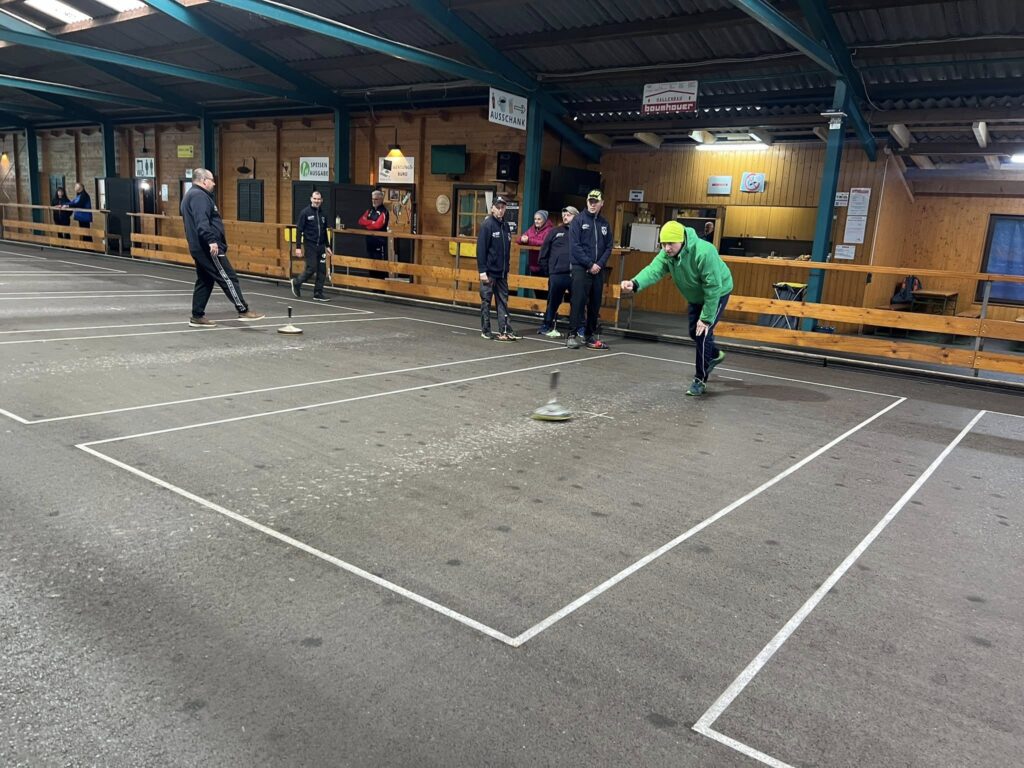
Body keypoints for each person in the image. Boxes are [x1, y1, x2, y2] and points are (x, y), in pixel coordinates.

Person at [620, 220, 733, 397]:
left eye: (670, 244)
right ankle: (714, 355)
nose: (666, 248)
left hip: (718, 292)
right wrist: (634, 283)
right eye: (663, 244)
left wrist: (706, 319)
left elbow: (713, 287)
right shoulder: (667, 254)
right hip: (696, 296)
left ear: (681, 240)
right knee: (693, 332)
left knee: (703, 333)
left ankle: (700, 379)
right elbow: (653, 270)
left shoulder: (705, 252)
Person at [180, 168, 264, 327]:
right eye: (212, 180)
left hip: (199, 247)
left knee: (205, 280)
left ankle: (197, 316)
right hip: (208, 247)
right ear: (204, 180)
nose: (214, 183)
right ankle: (243, 310)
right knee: (228, 277)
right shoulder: (199, 196)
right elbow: (202, 221)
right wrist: (211, 240)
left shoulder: (191, 195)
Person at [566, 189, 612, 350]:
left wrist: (599, 264)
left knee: (595, 304)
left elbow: (609, 246)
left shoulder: (604, 223)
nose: (592, 204)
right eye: (590, 201)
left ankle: (589, 335)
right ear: (587, 202)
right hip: (581, 268)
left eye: (595, 202)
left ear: (601, 203)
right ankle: (571, 335)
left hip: (598, 269)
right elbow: (575, 246)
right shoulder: (578, 221)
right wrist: (589, 264)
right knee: (578, 302)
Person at [476, 195, 519, 342]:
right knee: (486, 301)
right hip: (489, 272)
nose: (500, 210)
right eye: (498, 207)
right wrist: (482, 271)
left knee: (503, 302)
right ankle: (486, 330)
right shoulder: (487, 225)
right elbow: (481, 249)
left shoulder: (506, 226)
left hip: (502, 273)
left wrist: (506, 269)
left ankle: (505, 329)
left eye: (503, 207)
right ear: (492, 208)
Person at [536, 206, 578, 337]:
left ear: (576, 216)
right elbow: (544, 252)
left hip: (576, 274)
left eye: (568, 215)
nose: (565, 217)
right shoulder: (555, 231)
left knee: (578, 302)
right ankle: (546, 324)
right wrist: (549, 271)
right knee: (553, 301)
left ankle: (579, 327)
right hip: (557, 273)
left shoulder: (581, 233)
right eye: (564, 215)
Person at [291, 189, 333, 302]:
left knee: (322, 270)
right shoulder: (305, 212)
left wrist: (327, 246)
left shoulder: (323, 214)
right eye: (315, 199)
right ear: (311, 199)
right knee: (312, 268)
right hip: (310, 245)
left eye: (318, 199)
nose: (317, 201)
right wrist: (298, 247)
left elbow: (324, 231)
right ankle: (297, 282)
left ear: (322, 200)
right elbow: (299, 230)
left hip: (321, 246)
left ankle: (318, 293)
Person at [519, 209, 554, 299]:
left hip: (544, 266)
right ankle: (540, 307)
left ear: (544, 220)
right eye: (535, 219)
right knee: (537, 290)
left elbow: (544, 242)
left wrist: (529, 240)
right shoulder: (532, 229)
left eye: (539, 219)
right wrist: (522, 239)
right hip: (533, 265)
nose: (536, 221)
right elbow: (519, 239)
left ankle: (547, 307)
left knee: (545, 291)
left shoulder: (549, 230)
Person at [357, 189, 390, 281]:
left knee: (379, 265)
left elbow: (378, 225)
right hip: (369, 240)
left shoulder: (384, 211)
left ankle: (380, 286)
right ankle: (372, 284)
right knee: (370, 263)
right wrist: (371, 222)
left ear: (381, 199)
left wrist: (368, 223)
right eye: (372, 199)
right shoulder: (370, 210)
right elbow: (360, 221)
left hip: (379, 241)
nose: (373, 201)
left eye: (376, 199)